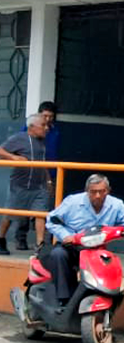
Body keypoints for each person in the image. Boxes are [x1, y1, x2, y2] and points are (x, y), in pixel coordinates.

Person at [44, 174, 124, 304]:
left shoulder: (116, 205)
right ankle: (63, 299)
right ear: (87, 191)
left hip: (97, 249)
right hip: (72, 247)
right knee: (58, 254)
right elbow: (52, 220)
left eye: (101, 191)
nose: (97, 196)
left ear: (108, 190)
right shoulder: (73, 202)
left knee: (110, 263)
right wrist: (66, 235)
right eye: (93, 192)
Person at [0, 113, 53, 255]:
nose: (46, 128)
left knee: (40, 214)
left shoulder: (41, 142)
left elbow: (42, 163)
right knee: (10, 214)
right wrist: (13, 157)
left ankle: (40, 245)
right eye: (43, 125)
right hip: (20, 185)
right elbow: (1, 150)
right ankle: (1, 239)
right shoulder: (20, 138)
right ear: (32, 127)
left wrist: (48, 180)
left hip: (39, 186)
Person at [14, 102, 59, 250]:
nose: (48, 119)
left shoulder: (55, 132)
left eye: (50, 116)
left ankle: (42, 243)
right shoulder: (29, 130)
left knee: (44, 209)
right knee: (23, 209)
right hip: (28, 175)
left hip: (48, 174)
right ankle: (21, 238)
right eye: (45, 116)